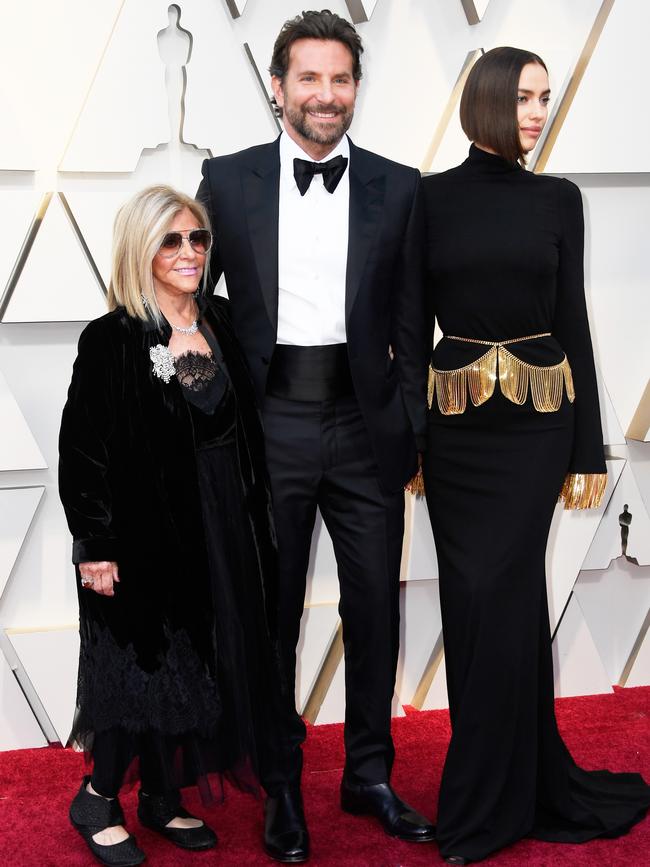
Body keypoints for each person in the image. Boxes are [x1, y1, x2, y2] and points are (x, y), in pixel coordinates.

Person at [197, 9, 433, 863]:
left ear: (356, 89)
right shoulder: (227, 180)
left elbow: (414, 319)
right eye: (310, 78)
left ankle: (369, 772)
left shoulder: (401, 186)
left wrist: (407, 428)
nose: (326, 95)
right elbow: (193, 295)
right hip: (270, 428)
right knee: (274, 615)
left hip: (368, 430)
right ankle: (281, 781)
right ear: (278, 87)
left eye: (340, 80)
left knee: (376, 607)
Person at [421, 47, 650, 864]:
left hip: (534, 434)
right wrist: (413, 443)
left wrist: (586, 447)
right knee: (481, 604)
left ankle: (491, 801)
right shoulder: (429, 199)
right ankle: (505, 784)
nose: (536, 111)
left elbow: (572, 319)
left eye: (545, 99)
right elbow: (412, 324)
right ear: (485, 101)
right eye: (523, 96)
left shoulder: (559, 199)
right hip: (454, 436)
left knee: (505, 590)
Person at [59, 185, 283, 866]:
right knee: (143, 668)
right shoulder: (114, 337)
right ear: (142, 249)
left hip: (221, 525)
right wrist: (94, 546)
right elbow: (82, 449)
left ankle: (161, 793)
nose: (189, 252)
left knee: (202, 664)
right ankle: (97, 796)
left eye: (197, 239)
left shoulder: (219, 319)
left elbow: (238, 426)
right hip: (142, 538)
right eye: (171, 240)